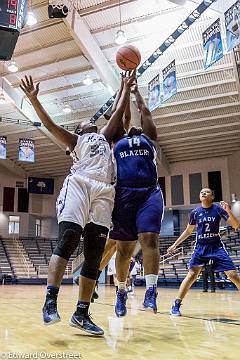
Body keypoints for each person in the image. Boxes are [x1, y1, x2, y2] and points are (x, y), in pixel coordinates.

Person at [20, 74, 135, 335]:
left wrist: (124, 87)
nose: (91, 122)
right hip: (80, 184)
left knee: (95, 254)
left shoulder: (106, 138)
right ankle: (50, 301)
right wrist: (33, 100)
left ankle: (81, 313)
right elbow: (49, 125)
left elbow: (118, 111)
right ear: (79, 129)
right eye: (85, 122)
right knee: (69, 239)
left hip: (105, 191)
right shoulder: (77, 141)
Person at [108, 79, 164, 317]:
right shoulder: (116, 139)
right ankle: (121, 290)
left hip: (149, 192)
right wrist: (122, 89)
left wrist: (137, 92)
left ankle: (151, 290)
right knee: (124, 250)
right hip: (123, 195)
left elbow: (145, 112)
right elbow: (120, 114)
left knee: (149, 238)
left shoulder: (148, 137)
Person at [167, 188, 240, 316]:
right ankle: (176, 305)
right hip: (201, 247)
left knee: (234, 275)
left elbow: (235, 225)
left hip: (216, 246)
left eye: (207, 192)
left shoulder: (218, 209)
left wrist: (228, 210)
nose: (203, 193)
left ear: (212, 196)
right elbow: (188, 231)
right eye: (201, 192)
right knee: (191, 275)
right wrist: (174, 244)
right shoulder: (195, 212)